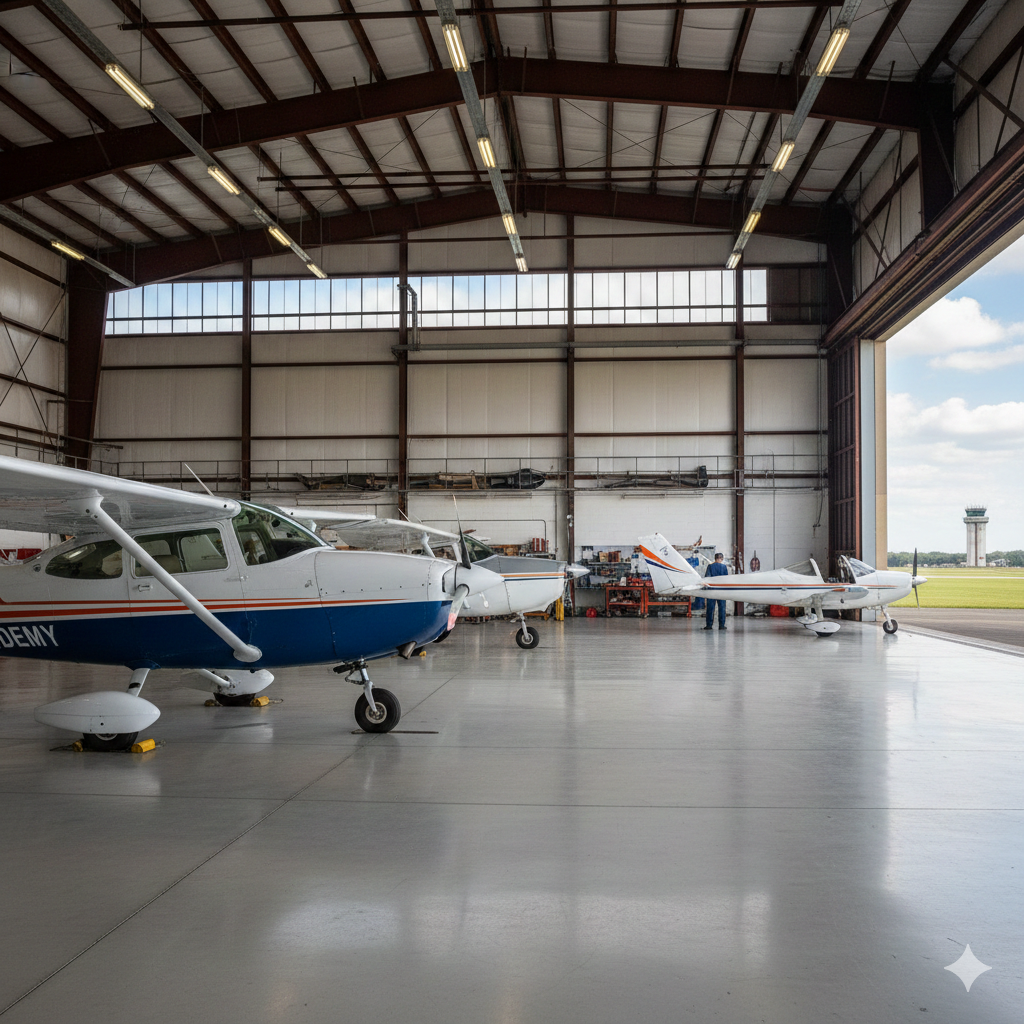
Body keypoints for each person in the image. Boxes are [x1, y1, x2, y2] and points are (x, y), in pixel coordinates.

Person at [702, 552, 729, 630]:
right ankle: (721, 625)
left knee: (710, 608)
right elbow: (726, 579)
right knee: (722, 608)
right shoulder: (724, 567)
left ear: (715, 558)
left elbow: (707, 578)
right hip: (721, 591)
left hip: (711, 591)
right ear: (722, 559)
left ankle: (709, 625)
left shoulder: (710, 566)